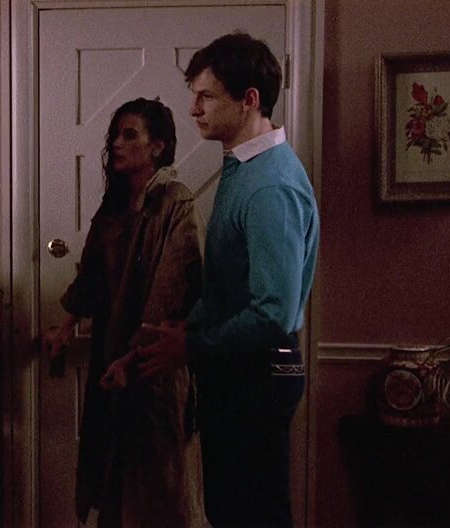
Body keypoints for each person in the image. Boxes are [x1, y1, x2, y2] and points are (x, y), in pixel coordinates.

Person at [135, 32, 320, 527]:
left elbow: (274, 312)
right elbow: (229, 282)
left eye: (207, 96)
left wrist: (193, 345)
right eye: (194, 95)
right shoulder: (244, 167)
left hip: (257, 371)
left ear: (249, 100)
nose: (193, 109)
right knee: (230, 509)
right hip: (237, 367)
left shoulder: (270, 186)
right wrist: (190, 328)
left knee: (251, 513)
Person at [43, 98, 204, 527]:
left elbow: (172, 291)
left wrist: (133, 358)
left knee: (155, 488)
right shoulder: (114, 206)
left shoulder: (175, 202)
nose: (116, 143)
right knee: (111, 480)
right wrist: (66, 326)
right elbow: (93, 277)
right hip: (109, 356)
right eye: (115, 134)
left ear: (158, 146)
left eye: (129, 135)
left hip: (153, 365)